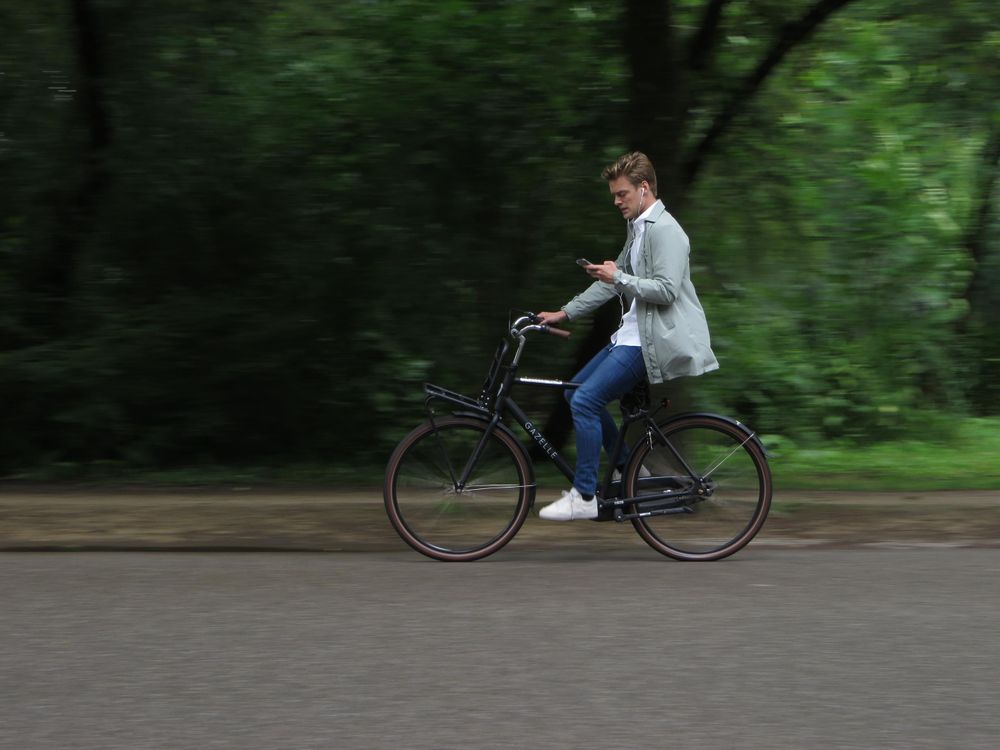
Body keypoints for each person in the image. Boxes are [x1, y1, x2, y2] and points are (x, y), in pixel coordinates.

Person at [535, 151, 719, 521]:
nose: (616, 201)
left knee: (585, 401)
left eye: (621, 194)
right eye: (614, 195)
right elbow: (611, 284)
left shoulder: (668, 231)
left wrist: (618, 277)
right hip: (631, 334)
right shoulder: (639, 229)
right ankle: (626, 469)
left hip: (651, 340)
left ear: (644, 188)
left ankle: (584, 495)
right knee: (575, 392)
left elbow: (666, 290)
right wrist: (564, 311)